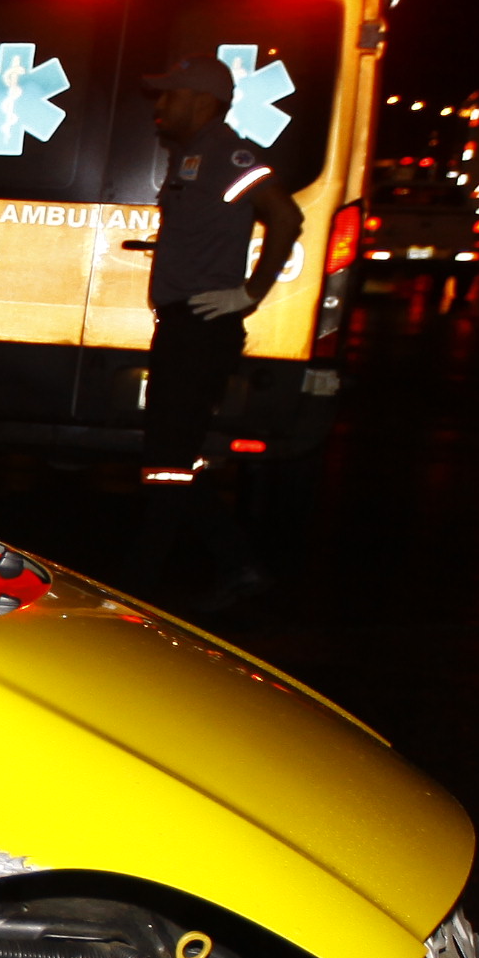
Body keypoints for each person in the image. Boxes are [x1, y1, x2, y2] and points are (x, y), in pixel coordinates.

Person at [123, 55, 300, 609]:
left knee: (168, 459)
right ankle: (233, 564)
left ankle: (143, 581)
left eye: (169, 96)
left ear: (201, 100)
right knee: (167, 457)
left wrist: (251, 292)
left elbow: (286, 216)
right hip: (182, 328)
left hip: (203, 330)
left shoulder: (228, 154)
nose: (159, 106)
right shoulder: (190, 157)